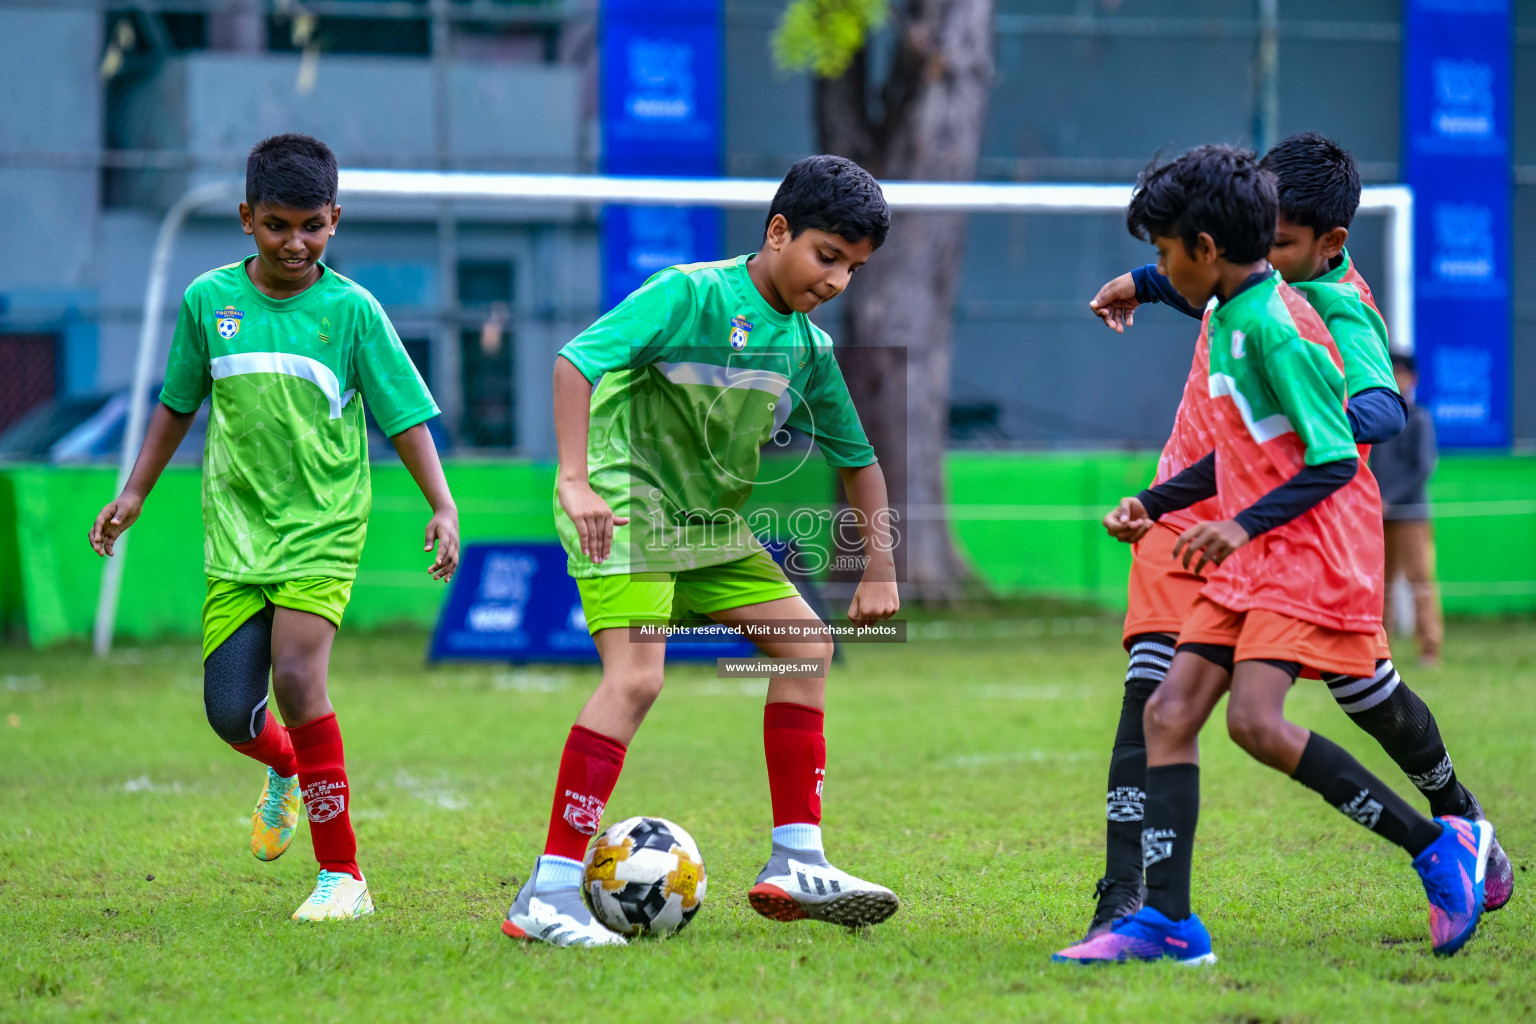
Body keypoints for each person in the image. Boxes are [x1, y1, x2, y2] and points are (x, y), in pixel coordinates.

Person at [1054, 145, 1492, 964]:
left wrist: (1243, 525)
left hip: (1302, 547)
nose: (1156, 267)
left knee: (1261, 721)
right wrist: (1156, 502)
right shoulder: (1232, 314)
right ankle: (1162, 920)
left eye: (1162, 254)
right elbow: (1245, 448)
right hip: (1237, 540)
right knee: (1166, 712)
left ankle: (1438, 846)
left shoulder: (1290, 329)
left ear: (1209, 250)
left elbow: (1323, 454)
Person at [501, 155, 902, 948]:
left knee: (805, 647)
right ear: (778, 231)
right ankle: (545, 894)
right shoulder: (690, 293)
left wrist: (879, 568)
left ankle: (795, 857)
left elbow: (858, 458)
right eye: (828, 256)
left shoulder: (809, 350)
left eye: (854, 269)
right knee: (639, 677)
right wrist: (575, 480)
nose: (837, 282)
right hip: (623, 509)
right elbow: (577, 361)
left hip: (708, 529)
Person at [88, 133, 460, 921]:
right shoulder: (206, 302)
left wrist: (443, 503)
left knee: (296, 679)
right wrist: (134, 494)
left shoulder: (353, 311)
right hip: (235, 531)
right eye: (278, 225)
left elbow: (405, 418)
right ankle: (285, 770)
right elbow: (175, 405)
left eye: (313, 226)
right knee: (231, 713)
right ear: (247, 218)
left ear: (335, 220)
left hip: (323, 527)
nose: (296, 243)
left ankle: (343, 877)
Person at [1371, 352, 1444, 665]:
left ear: (1411, 378)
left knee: (1421, 581)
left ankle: (1429, 649)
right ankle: (1379, 653)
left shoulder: (1420, 418)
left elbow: (1423, 468)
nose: (1396, 378)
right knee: (1379, 586)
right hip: (1378, 515)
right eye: (1391, 372)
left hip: (1411, 514)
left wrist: (1391, 499)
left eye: (1400, 372)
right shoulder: (1378, 417)